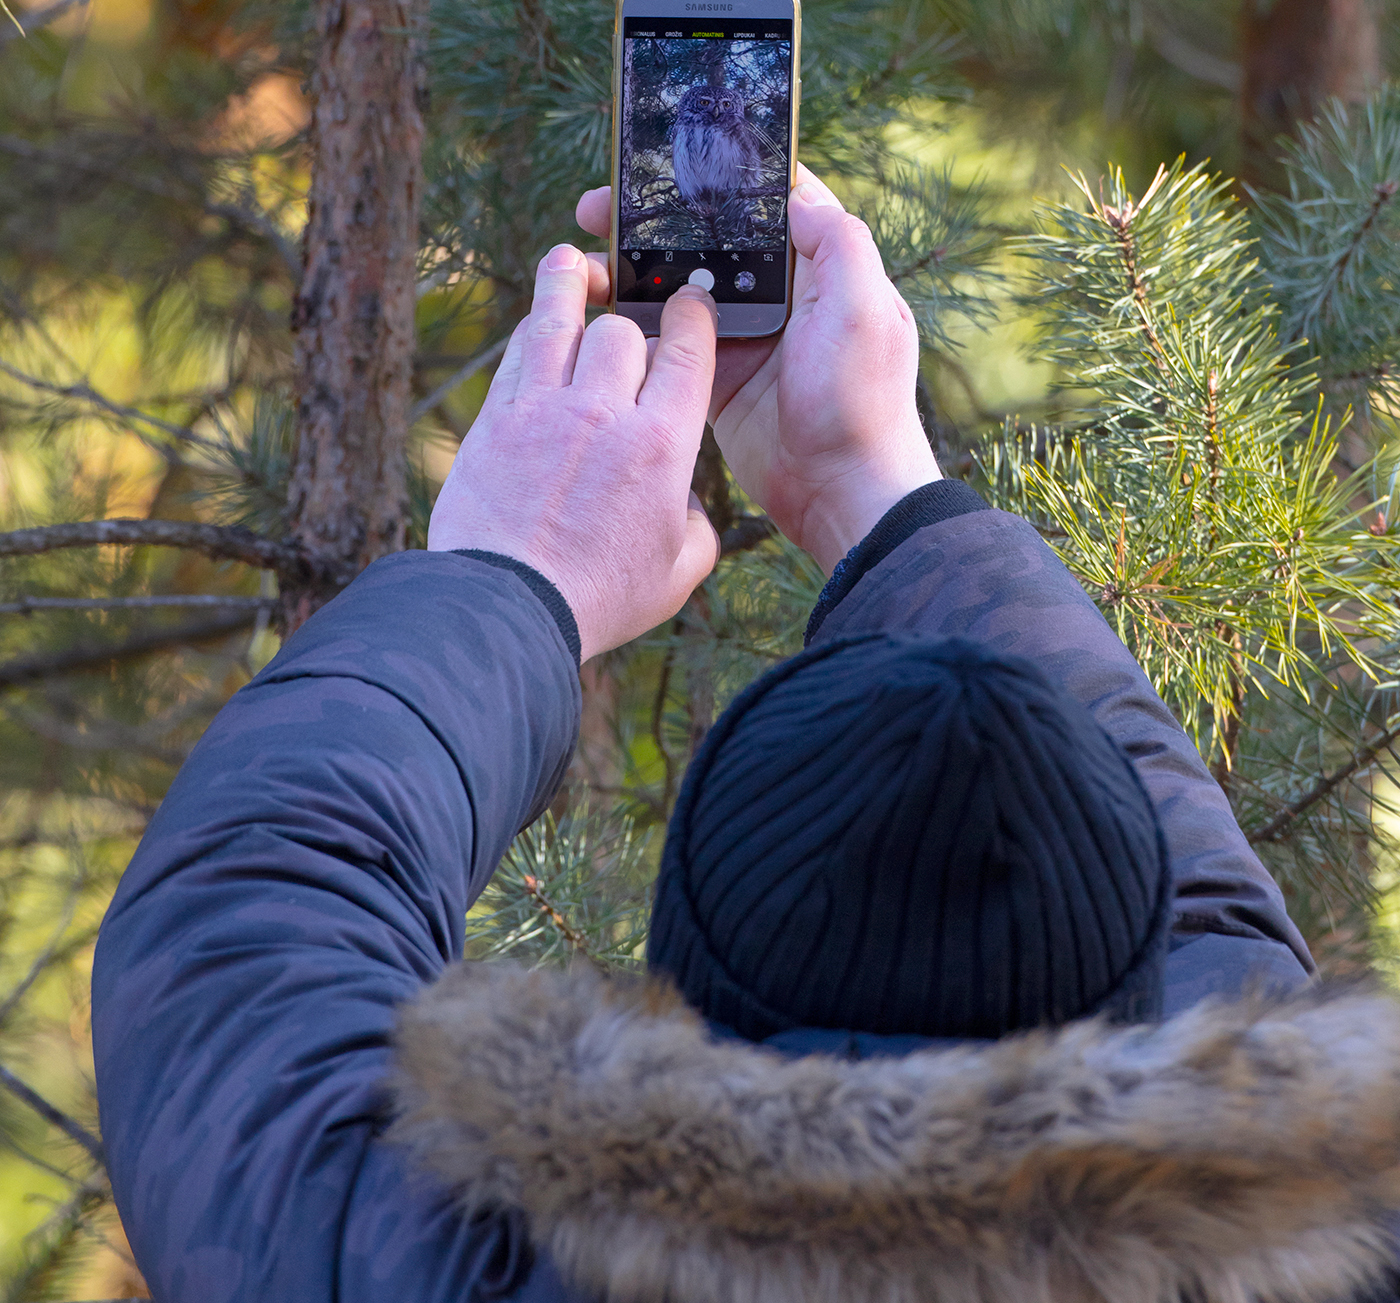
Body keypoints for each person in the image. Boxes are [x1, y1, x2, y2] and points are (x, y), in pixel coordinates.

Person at [91, 171, 1400, 1303]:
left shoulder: (430, 1268)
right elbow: (1225, 961)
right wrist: (870, 490)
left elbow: (240, 919)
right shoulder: (1345, 1235)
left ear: (685, 965)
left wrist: (513, 572)